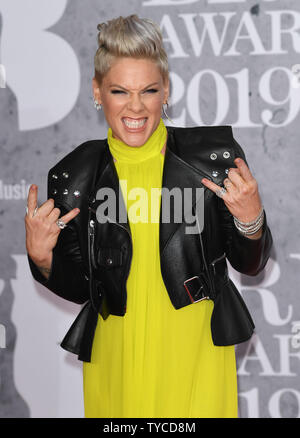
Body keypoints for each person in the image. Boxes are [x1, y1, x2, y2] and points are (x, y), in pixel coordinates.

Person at [25, 15, 273, 418]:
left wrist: (251, 219)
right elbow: (82, 287)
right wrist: (42, 259)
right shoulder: (76, 174)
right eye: (120, 91)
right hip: (116, 353)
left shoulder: (210, 160)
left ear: (166, 91)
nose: (135, 106)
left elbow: (251, 262)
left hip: (195, 351)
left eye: (149, 90)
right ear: (97, 92)